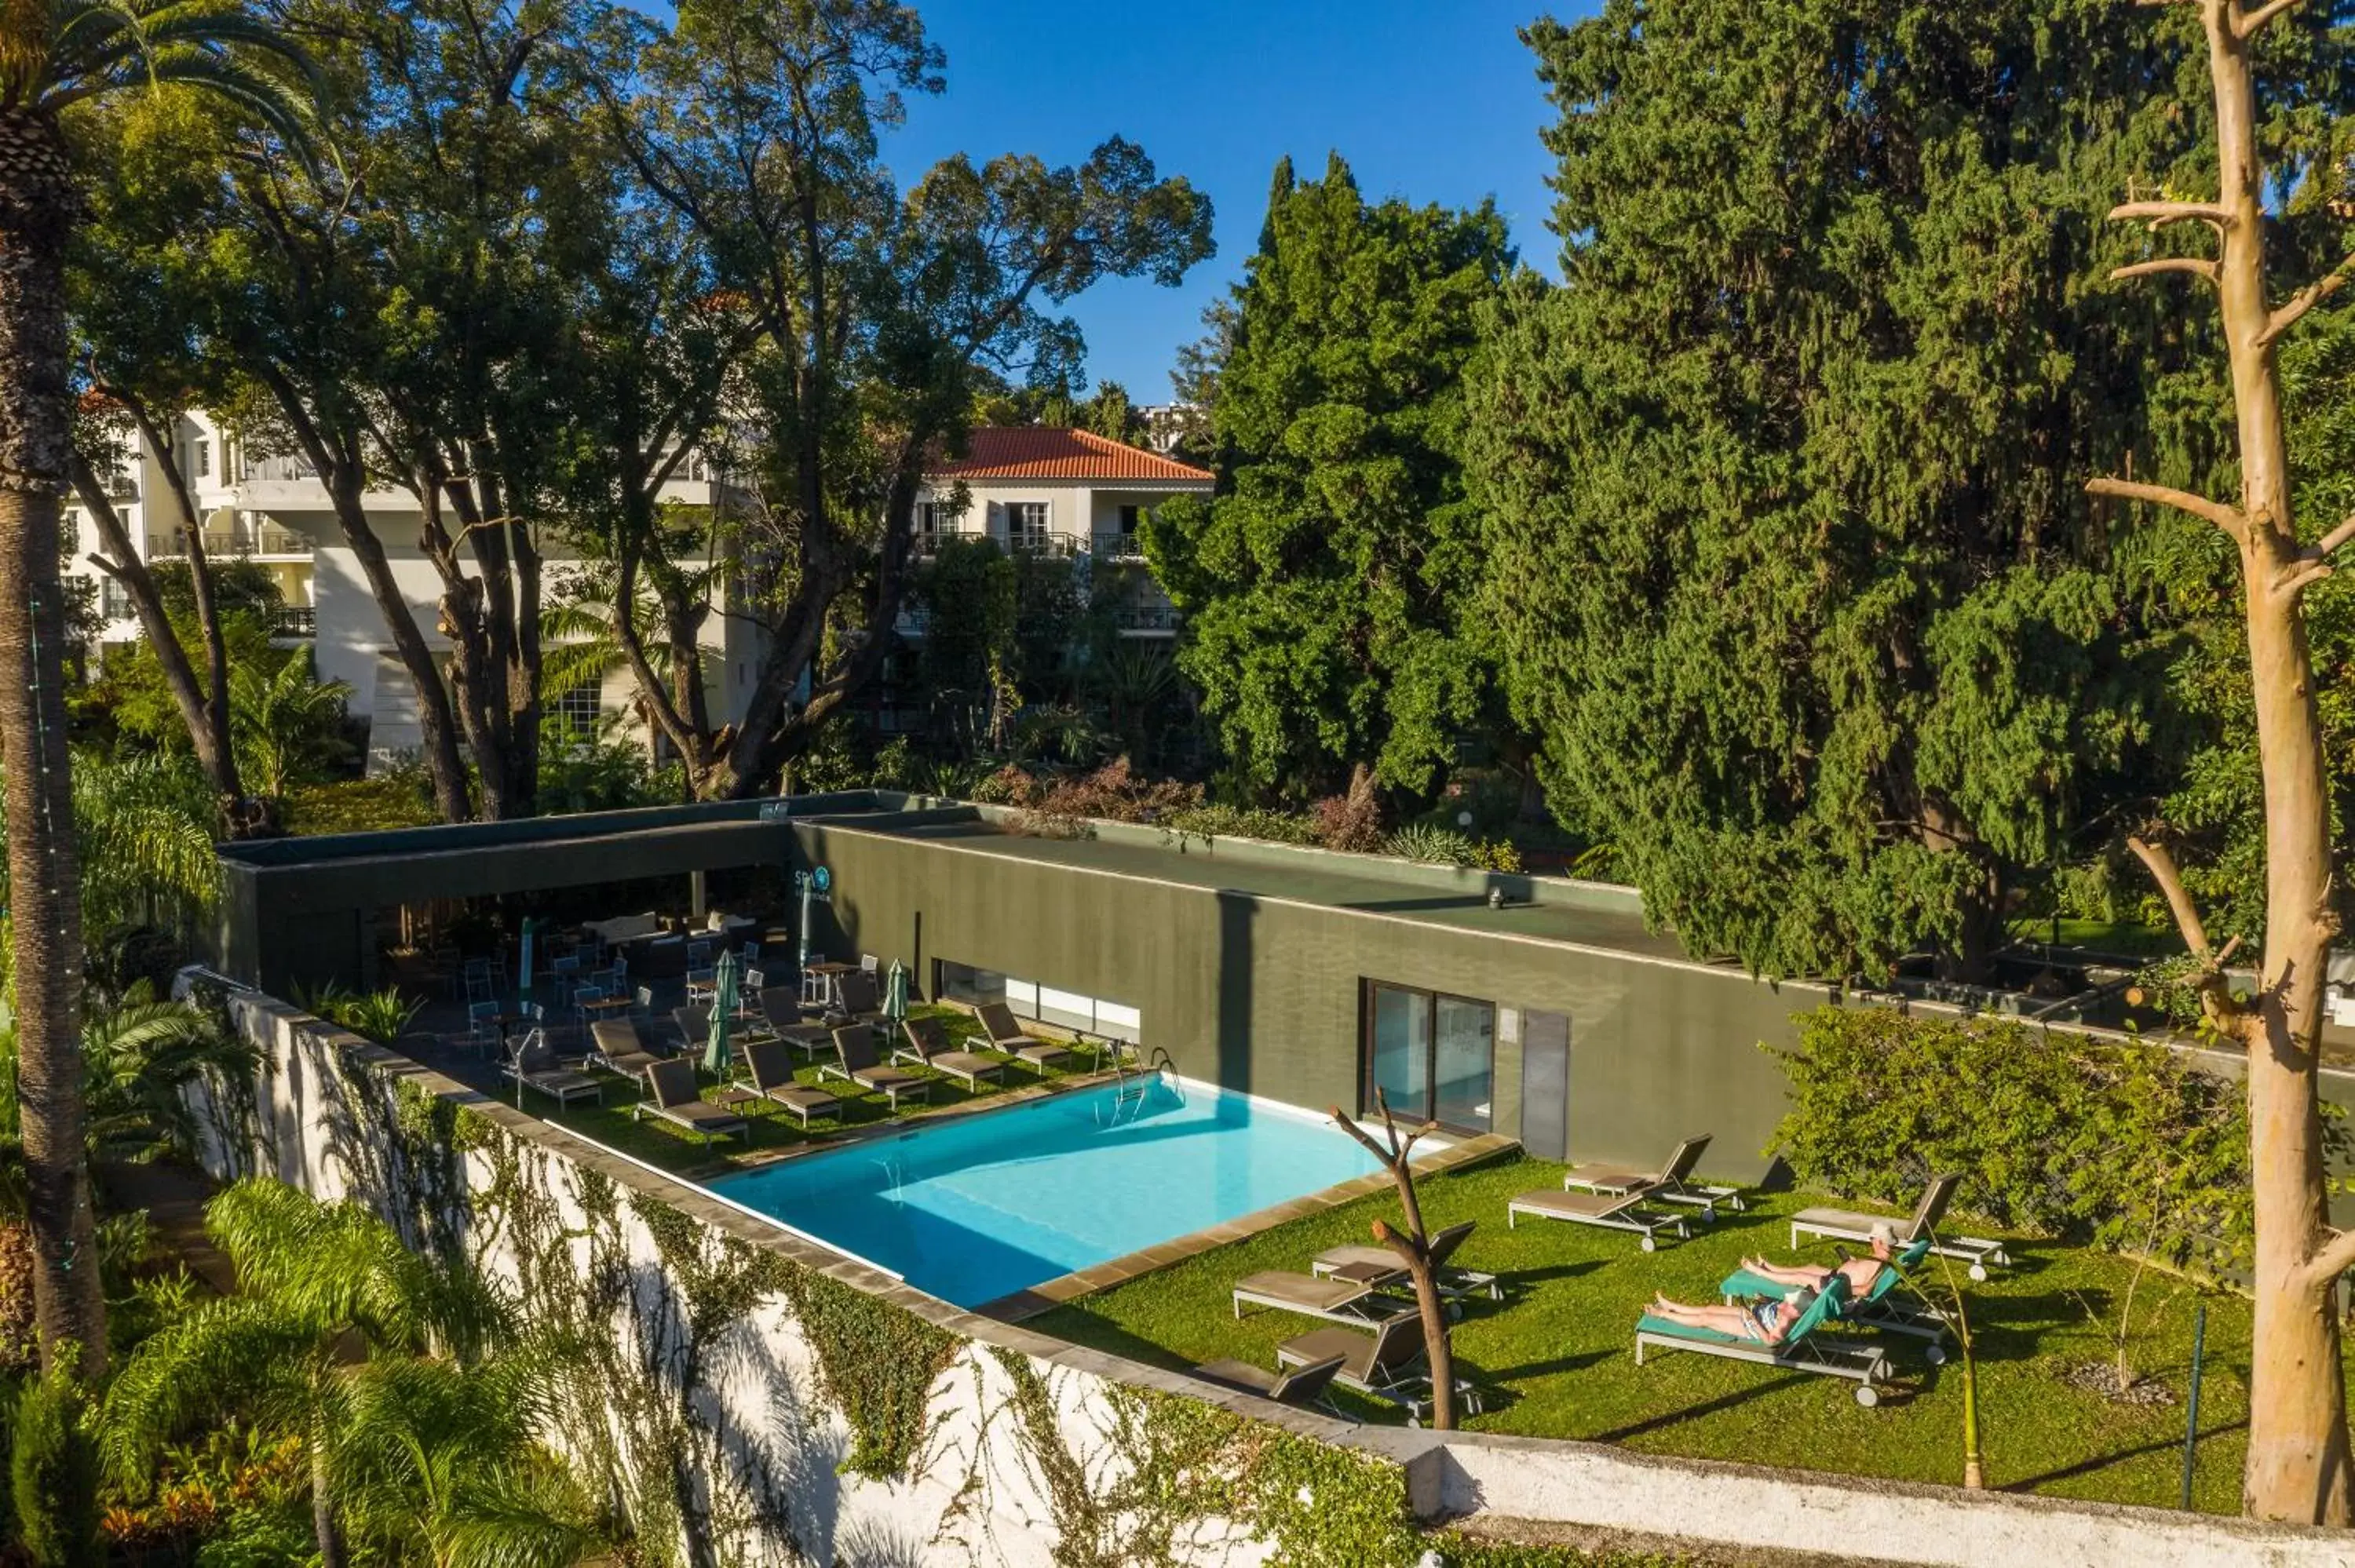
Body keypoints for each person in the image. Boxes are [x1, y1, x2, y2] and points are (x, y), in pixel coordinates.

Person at [1736, 1222, 1897, 1299]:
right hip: (1837, 1277)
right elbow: (1864, 1272)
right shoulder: (1886, 1259)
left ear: (1880, 1242)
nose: (1871, 1242)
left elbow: (1864, 1290)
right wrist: (1852, 1263)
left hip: (1836, 1286)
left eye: (1873, 1239)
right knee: (1811, 1267)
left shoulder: (1883, 1266)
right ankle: (1769, 1266)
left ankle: (1759, 1272)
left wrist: (1839, 1289)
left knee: (1799, 1277)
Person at [1645, 1287, 1809, 1345]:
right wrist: (1766, 1300)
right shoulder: (1788, 1310)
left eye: (1788, 1303)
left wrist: (1755, 1322)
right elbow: (1778, 1305)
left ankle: (1662, 1314)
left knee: (1706, 1319)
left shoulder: (1785, 1323)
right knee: (1709, 1309)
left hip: (1748, 1326)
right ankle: (1671, 1305)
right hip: (1750, 1312)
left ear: (1794, 1313)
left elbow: (1770, 1341)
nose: (1784, 1302)